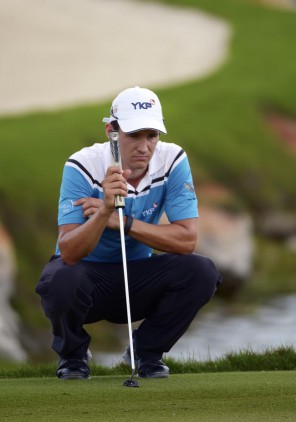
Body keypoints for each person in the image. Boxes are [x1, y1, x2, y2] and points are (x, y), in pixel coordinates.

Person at [36, 86, 222, 380]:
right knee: (60, 278)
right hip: (85, 279)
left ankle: (145, 352)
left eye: (152, 135)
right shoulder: (83, 165)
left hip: (136, 278)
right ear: (112, 131)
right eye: (134, 135)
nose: (144, 146)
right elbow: (69, 250)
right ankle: (73, 357)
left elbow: (186, 240)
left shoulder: (172, 160)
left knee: (201, 271)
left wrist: (124, 222)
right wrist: (106, 210)